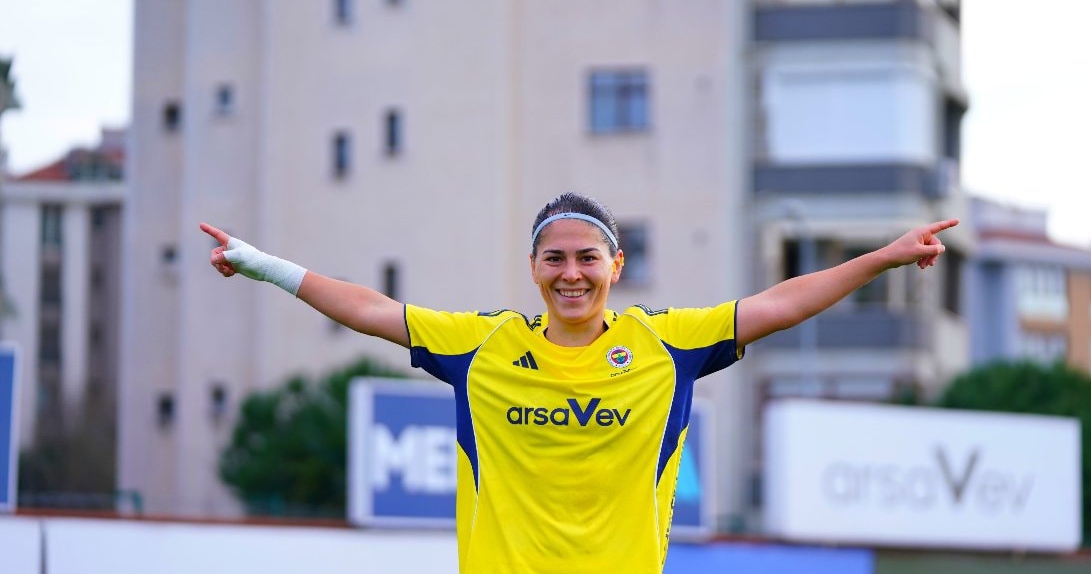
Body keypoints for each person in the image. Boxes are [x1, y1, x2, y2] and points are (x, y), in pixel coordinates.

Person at [201, 191, 957, 574]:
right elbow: (370, 309)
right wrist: (262, 264)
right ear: (534, 267)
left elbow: (780, 304)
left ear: (615, 266)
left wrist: (882, 258)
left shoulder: (666, 344)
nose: (571, 273)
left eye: (587, 257)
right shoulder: (482, 346)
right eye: (555, 258)